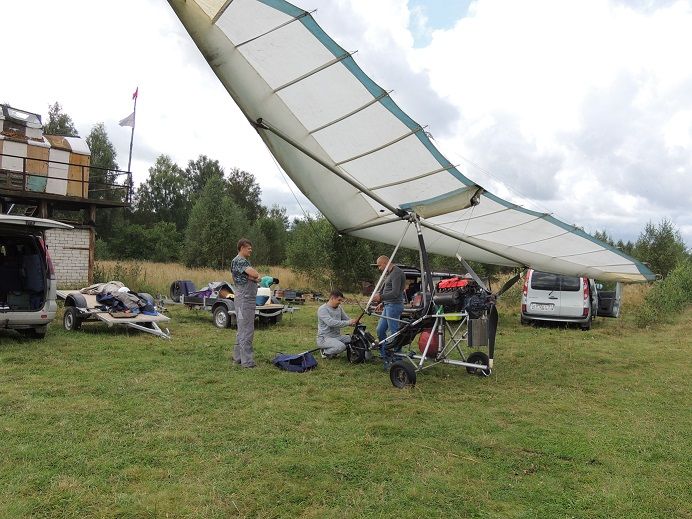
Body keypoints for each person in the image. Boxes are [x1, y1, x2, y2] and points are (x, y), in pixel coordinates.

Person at [231, 238, 261, 368]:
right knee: (247, 329)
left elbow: (253, 277)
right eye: (248, 248)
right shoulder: (240, 261)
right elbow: (255, 274)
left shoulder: (238, 262)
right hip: (245, 299)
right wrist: (255, 276)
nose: (250, 250)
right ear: (242, 247)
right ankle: (247, 362)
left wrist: (254, 277)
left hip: (242, 298)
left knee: (242, 329)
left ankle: (238, 358)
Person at [372, 255, 406, 364]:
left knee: (394, 332)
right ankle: (385, 353)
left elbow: (395, 293)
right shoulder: (390, 273)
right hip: (388, 305)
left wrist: (381, 297)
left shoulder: (397, 273)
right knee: (380, 330)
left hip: (394, 306)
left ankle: (398, 358)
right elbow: (388, 290)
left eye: (379, 266)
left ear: (385, 263)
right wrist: (383, 303)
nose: (379, 268)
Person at [316, 290, 357, 358]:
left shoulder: (339, 308)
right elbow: (331, 323)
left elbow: (346, 319)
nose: (340, 302)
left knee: (355, 338)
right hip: (324, 338)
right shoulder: (322, 309)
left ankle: (334, 349)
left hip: (337, 336)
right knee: (341, 347)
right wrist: (348, 322)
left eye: (341, 300)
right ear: (332, 298)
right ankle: (325, 352)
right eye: (339, 300)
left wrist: (354, 323)